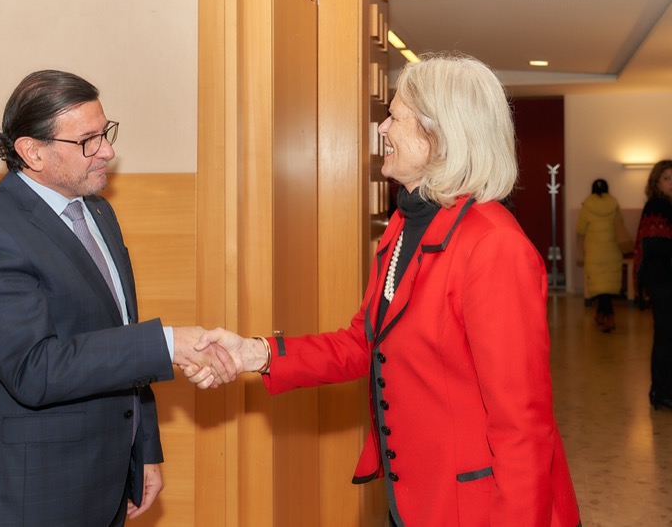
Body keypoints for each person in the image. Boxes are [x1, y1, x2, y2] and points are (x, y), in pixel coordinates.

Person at [185, 53, 581, 526]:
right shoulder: (403, 224)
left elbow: (523, 425)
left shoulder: (494, 246)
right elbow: (365, 343)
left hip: (478, 510)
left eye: (395, 116)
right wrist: (255, 353)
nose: (382, 129)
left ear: (439, 134)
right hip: (414, 499)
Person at [0, 69, 236, 527]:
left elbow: (118, 335)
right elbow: (34, 369)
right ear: (32, 151)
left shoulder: (97, 210)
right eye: (87, 141)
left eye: (105, 132)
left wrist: (144, 449)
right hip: (33, 497)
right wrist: (167, 343)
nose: (107, 151)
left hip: (107, 480)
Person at [634, 159, 672, 410]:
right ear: (656, 183)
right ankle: (661, 391)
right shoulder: (657, 206)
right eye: (667, 178)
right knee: (666, 334)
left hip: (663, 279)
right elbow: (654, 245)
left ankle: (660, 390)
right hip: (660, 280)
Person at [575, 178, 627, 332]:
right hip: (613, 251)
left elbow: (581, 228)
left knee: (599, 286)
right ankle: (601, 314)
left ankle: (608, 315)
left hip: (594, 252)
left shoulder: (587, 205)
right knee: (607, 286)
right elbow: (621, 222)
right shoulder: (614, 203)